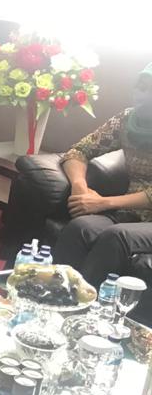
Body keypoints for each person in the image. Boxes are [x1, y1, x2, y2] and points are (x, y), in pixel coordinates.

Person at [53, 63, 152, 286]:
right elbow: (79, 151)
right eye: (142, 87)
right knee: (81, 227)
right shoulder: (127, 120)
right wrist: (80, 188)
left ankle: (84, 302)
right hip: (131, 215)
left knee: (117, 237)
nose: (144, 95)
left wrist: (103, 202)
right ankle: (51, 293)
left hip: (136, 221)